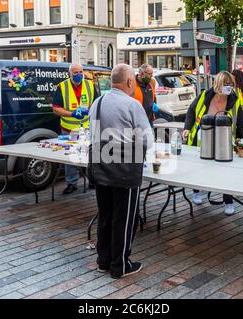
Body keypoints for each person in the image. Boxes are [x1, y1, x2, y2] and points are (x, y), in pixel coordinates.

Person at [89, 64, 154, 279]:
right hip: (125, 168)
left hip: (100, 166)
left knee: (105, 215)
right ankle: (120, 265)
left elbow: (93, 134)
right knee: (124, 218)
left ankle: (103, 261)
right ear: (128, 82)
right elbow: (147, 139)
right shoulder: (132, 105)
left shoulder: (97, 103)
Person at [182, 71, 243, 216]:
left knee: (226, 171)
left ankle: (228, 201)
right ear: (218, 85)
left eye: (231, 85)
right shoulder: (204, 96)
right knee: (199, 168)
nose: (229, 87)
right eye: (225, 84)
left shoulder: (234, 101)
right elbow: (191, 111)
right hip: (202, 138)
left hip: (224, 140)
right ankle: (196, 192)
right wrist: (186, 128)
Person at [52, 63, 99, 194]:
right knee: (71, 156)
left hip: (86, 128)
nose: (78, 75)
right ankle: (71, 183)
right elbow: (56, 108)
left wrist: (90, 113)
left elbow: (96, 104)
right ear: (70, 74)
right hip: (69, 128)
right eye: (75, 72)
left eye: (80, 72)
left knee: (90, 155)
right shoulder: (62, 86)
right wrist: (72, 113)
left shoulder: (90, 85)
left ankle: (92, 180)